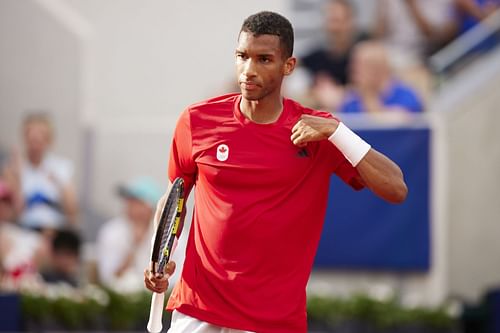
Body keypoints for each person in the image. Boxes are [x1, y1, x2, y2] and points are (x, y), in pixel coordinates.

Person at [144, 11, 407, 333]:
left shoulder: (317, 132)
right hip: (198, 310)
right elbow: (174, 200)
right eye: (243, 57)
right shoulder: (196, 121)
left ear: (289, 66)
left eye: (264, 59)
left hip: (274, 322)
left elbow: (396, 188)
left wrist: (338, 132)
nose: (249, 70)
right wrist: (159, 259)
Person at [299, 0, 369, 110]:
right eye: (330, 21)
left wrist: (341, 94)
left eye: (338, 21)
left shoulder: (365, 53)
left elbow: (375, 89)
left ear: (351, 22)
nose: (334, 28)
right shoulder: (317, 56)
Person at [97, 177, 162, 293]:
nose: (129, 205)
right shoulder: (111, 232)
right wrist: (134, 246)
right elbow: (108, 278)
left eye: (137, 202)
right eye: (129, 201)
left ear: (150, 208)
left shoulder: (169, 236)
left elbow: (172, 281)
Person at [18, 112, 79, 232]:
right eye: (31, 134)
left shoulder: (61, 167)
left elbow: (73, 212)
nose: (36, 139)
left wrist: (59, 183)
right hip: (25, 229)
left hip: (56, 230)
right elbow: (12, 213)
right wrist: (16, 177)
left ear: (49, 139)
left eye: (41, 134)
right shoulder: (15, 168)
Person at [338, 41, 424, 117]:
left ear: (379, 68)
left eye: (359, 65)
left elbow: (394, 124)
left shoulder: (404, 94)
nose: (352, 70)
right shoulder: (351, 98)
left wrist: (368, 95)